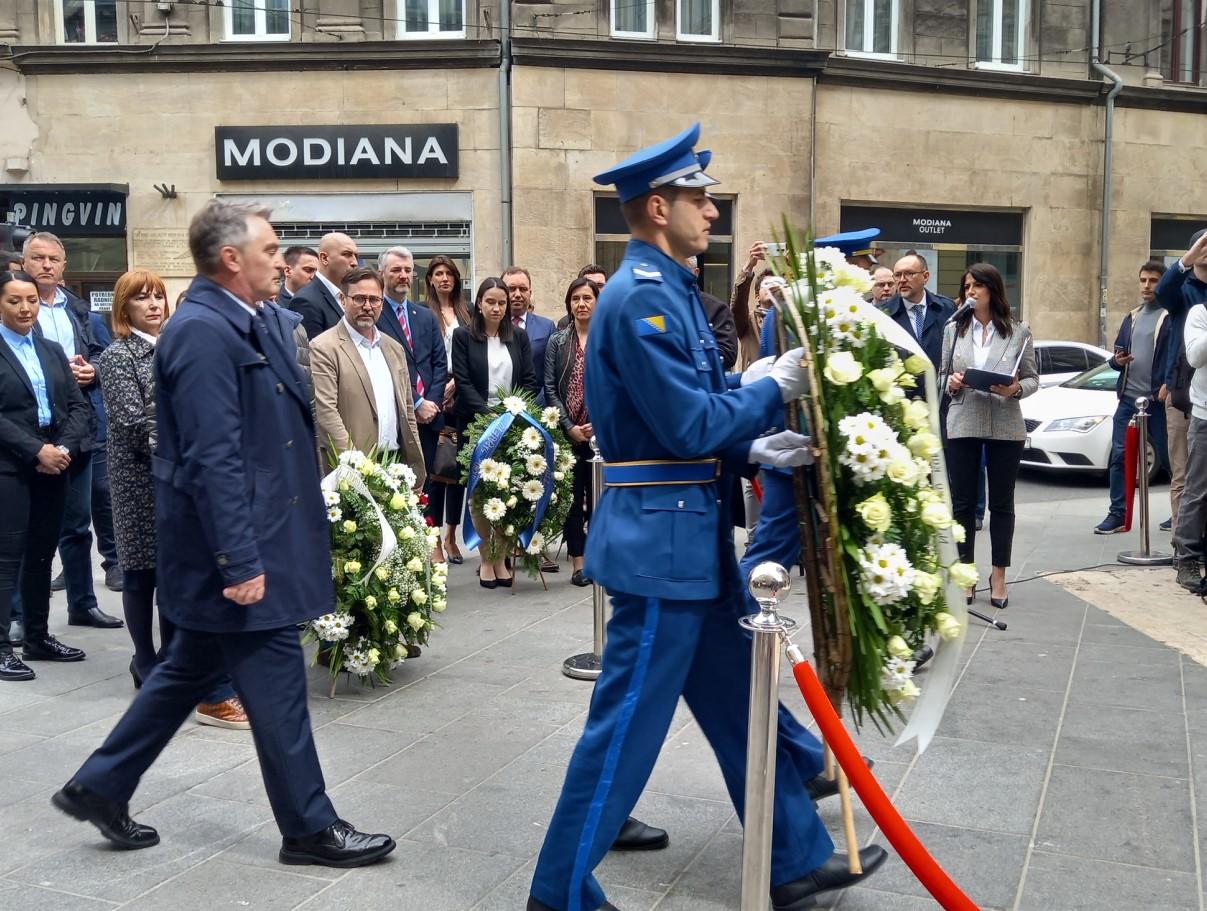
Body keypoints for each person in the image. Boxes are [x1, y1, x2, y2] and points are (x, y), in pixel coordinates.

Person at [527, 124, 884, 911]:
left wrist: (761, 436)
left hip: (685, 536)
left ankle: (791, 857)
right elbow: (687, 425)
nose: (711, 210)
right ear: (657, 208)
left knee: (737, 703)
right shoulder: (643, 297)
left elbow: (690, 416)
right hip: (658, 545)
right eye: (698, 198)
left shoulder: (673, 288)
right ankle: (557, 894)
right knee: (621, 731)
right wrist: (769, 387)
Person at [52, 200, 394, 868]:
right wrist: (239, 559)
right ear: (232, 259)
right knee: (278, 689)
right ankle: (308, 826)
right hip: (238, 550)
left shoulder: (250, 317)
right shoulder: (203, 332)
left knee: (184, 673)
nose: (281, 260)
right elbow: (215, 457)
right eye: (268, 249)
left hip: (256, 540)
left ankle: (100, 783)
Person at [96, 269, 249, 727]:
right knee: (141, 571)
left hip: (181, 476)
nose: (154, 305)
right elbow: (130, 421)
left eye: (158, 297)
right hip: (140, 478)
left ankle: (173, 655)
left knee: (176, 569)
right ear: (124, 308)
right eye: (142, 299)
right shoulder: (117, 356)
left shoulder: (177, 346)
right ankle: (145, 659)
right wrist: (190, 450)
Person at [24, 232, 123, 629]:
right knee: (27, 525)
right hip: (30, 427)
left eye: (53, 259)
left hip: (79, 425)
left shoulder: (81, 312)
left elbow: (103, 353)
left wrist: (92, 370)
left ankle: (82, 603)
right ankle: (20, 616)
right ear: (24, 262)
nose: (46, 265)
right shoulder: (13, 308)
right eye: (37, 258)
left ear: (64, 265)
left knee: (78, 525)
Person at [0, 269, 91, 680]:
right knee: (7, 560)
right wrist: (35, 449)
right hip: (11, 467)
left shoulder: (51, 349)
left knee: (41, 554)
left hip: (55, 464)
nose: (25, 308)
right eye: (14, 300)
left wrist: (62, 449)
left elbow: (77, 407)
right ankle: (3, 646)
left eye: (32, 300)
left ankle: (37, 636)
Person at [942, 263, 1039, 608]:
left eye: (977, 286)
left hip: (1004, 421)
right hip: (964, 418)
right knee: (964, 503)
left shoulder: (1018, 331)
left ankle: (999, 574)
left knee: (1001, 503)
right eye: (967, 285)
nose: (970, 291)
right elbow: (942, 376)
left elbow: (1032, 379)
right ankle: (966, 571)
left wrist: (1014, 389)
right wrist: (951, 383)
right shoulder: (953, 329)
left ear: (992, 290)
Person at [452, 277, 539, 588]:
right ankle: (486, 560)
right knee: (480, 493)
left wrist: (513, 413)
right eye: (490, 301)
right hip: (476, 424)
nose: (497, 307)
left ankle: (502, 557)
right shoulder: (463, 336)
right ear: (479, 303)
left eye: (501, 302)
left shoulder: (519, 337)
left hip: (512, 423)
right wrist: (489, 416)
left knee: (506, 492)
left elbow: (529, 380)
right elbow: (462, 382)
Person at [310, 266, 426, 483]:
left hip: (395, 463)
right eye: (359, 299)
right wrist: (356, 467)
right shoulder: (324, 347)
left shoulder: (393, 348)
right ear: (343, 300)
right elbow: (326, 412)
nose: (367, 306)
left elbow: (407, 408)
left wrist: (414, 464)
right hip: (350, 469)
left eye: (374, 299)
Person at [1093, 260, 1172, 535]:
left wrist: (1169, 384)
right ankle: (1117, 514)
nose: (1147, 285)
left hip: (1159, 401)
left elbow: (1179, 357)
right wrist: (1118, 360)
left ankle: (1182, 514)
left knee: (1172, 459)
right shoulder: (1132, 316)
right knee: (1119, 456)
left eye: (1153, 280)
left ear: (1164, 282)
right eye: (1143, 280)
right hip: (1128, 399)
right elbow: (1116, 359)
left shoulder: (1172, 315)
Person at [378, 248, 447, 557]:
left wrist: (431, 401)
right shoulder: (375, 314)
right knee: (399, 482)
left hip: (430, 417)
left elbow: (438, 362)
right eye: (396, 270)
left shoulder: (425, 315)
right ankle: (403, 546)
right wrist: (416, 401)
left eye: (407, 269)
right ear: (383, 274)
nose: (403, 275)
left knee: (429, 481)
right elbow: (385, 365)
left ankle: (431, 543)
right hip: (397, 416)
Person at [545, 278, 598, 586]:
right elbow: (550, 386)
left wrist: (599, 423)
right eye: (576, 298)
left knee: (600, 498)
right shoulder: (557, 341)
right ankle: (579, 563)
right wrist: (569, 426)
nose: (581, 303)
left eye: (587, 298)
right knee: (572, 501)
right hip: (568, 434)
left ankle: (598, 559)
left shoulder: (607, 340)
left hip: (600, 435)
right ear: (569, 304)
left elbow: (616, 385)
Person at [1162, 229, 1207, 588]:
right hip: (1184, 394)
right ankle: (1185, 554)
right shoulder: (1184, 291)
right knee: (1189, 480)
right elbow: (1162, 293)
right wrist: (1187, 259)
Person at [425, 255, 471, 564]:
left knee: (458, 471)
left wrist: (457, 384)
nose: (444, 278)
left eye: (449, 274)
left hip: (463, 394)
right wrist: (439, 389)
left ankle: (452, 536)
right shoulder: (423, 313)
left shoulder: (467, 314)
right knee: (436, 470)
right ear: (430, 279)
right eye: (438, 273)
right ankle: (434, 539)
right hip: (434, 396)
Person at [880, 251, 956, 372]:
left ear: (925, 277)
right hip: (901, 389)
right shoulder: (883, 313)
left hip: (938, 388)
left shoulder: (946, 308)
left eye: (909, 274)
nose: (902, 280)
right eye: (898, 275)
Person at [503, 266, 557, 407]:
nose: (517, 294)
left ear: (530, 292)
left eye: (523, 289)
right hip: (495, 411)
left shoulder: (547, 327)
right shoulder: (489, 328)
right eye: (511, 289)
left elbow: (552, 375)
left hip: (536, 409)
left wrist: (533, 408)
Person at [289, 232, 359, 339]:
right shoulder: (305, 301)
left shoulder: (348, 295)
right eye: (347, 254)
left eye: (356, 256)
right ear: (324, 258)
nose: (355, 262)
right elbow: (310, 352)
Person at [687, 254, 737, 369]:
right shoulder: (661, 304)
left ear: (696, 272)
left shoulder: (716, 308)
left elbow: (728, 354)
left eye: (683, 268)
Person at [559, 266, 609, 330]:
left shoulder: (618, 321)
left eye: (600, 285)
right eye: (590, 284)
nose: (595, 289)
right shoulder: (565, 324)